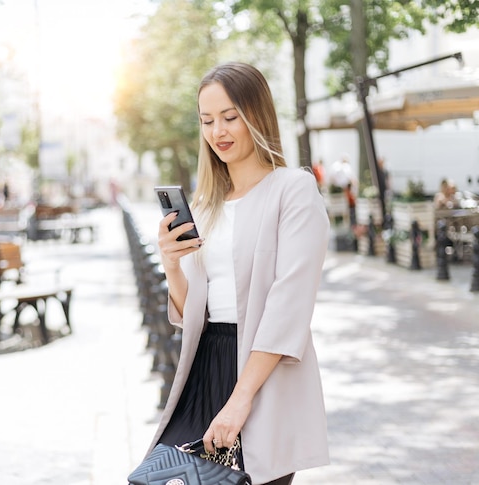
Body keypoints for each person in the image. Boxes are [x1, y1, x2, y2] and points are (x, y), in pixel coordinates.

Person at [147, 62, 330, 485]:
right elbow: (194, 309)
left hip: (263, 370)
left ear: (257, 115)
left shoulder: (293, 190)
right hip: (206, 362)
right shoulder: (207, 204)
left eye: (230, 117)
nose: (218, 132)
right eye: (207, 121)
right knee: (167, 476)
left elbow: (290, 305)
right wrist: (172, 263)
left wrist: (240, 398)